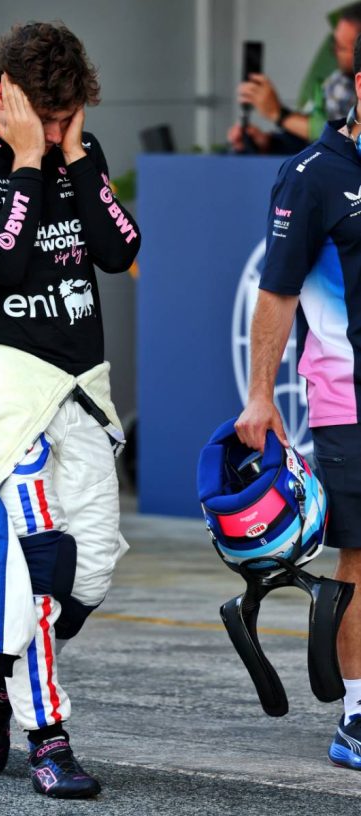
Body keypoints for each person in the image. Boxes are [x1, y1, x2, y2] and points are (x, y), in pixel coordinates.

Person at [0, 22, 140, 799]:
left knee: (91, 573)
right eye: (43, 117)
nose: (53, 132)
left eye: (65, 117)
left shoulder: (80, 152)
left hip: (82, 387)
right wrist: (24, 162)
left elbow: (119, 250)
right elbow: (3, 262)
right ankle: (49, 741)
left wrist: (73, 156)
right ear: (3, 95)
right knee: (38, 567)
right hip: (9, 390)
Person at [235, 31, 361, 771]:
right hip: (349, 400)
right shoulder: (311, 175)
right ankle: (357, 714)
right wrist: (260, 394)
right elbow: (277, 292)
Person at [228, 3, 361, 154]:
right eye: (335, 45)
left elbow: (340, 139)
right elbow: (313, 144)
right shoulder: (337, 82)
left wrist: (279, 114)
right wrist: (267, 143)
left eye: (342, 48)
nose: (335, 52)